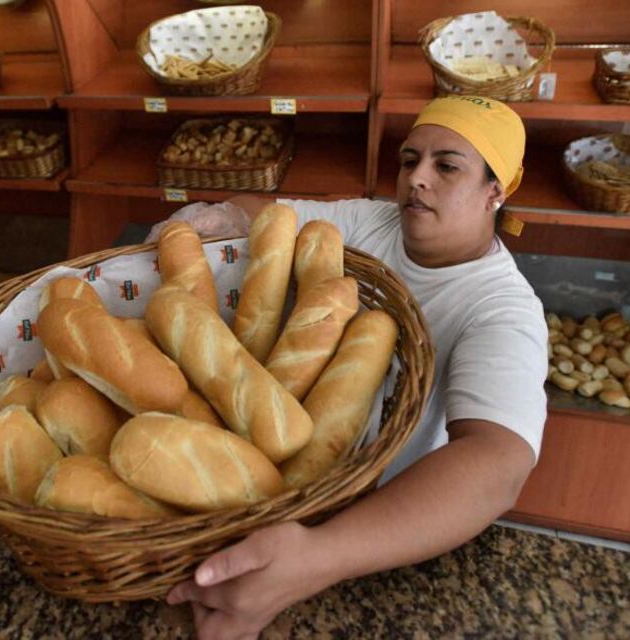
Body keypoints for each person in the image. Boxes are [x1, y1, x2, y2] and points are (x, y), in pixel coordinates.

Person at [166, 95, 549, 639]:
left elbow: (498, 464)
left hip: (370, 530)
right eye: (409, 160)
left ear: (496, 191)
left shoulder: (502, 309)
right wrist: (217, 217)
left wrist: (319, 555)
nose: (416, 179)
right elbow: (264, 212)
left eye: (446, 166)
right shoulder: (373, 221)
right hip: (263, 490)